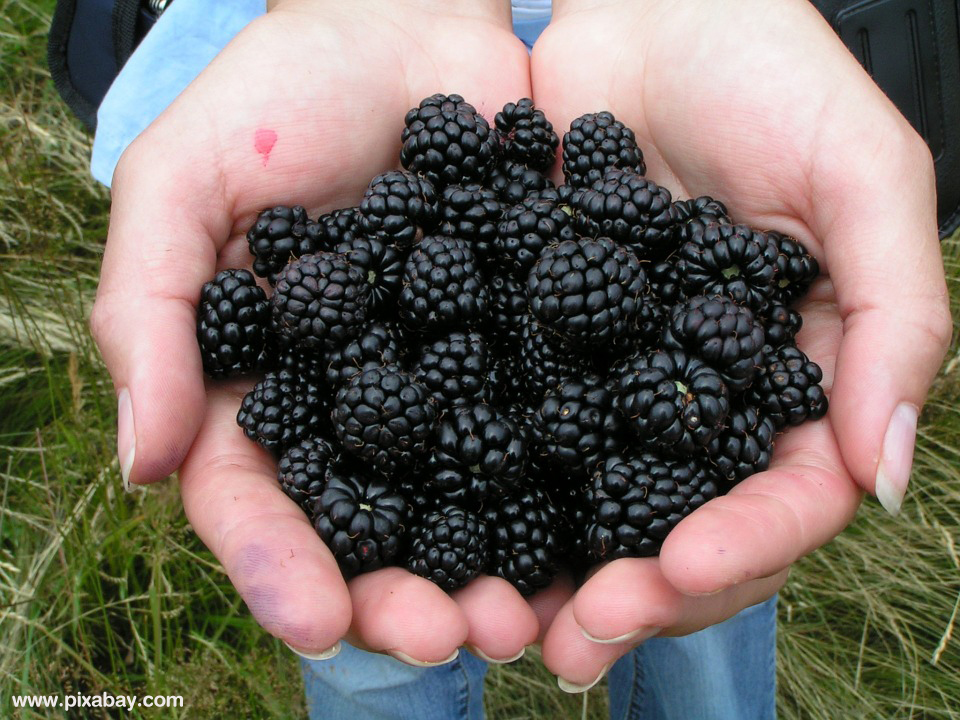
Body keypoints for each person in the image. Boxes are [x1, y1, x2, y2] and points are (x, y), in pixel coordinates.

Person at [84, 0, 951, 717]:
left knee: (700, 584)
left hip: (641, 54)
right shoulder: (410, 330)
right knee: (362, 625)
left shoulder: (639, 343)